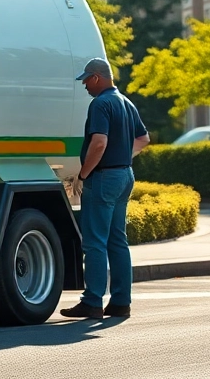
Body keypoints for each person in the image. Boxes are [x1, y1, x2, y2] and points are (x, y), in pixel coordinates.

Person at [61, 58, 151, 320]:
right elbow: (143, 139)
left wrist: (83, 174)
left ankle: (92, 302)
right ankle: (121, 302)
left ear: (97, 77)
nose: (85, 85)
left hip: (103, 178)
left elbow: (99, 143)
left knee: (95, 243)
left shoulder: (100, 104)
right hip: (124, 175)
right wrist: (122, 155)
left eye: (86, 80)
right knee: (117, 241)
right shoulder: (126, 102)